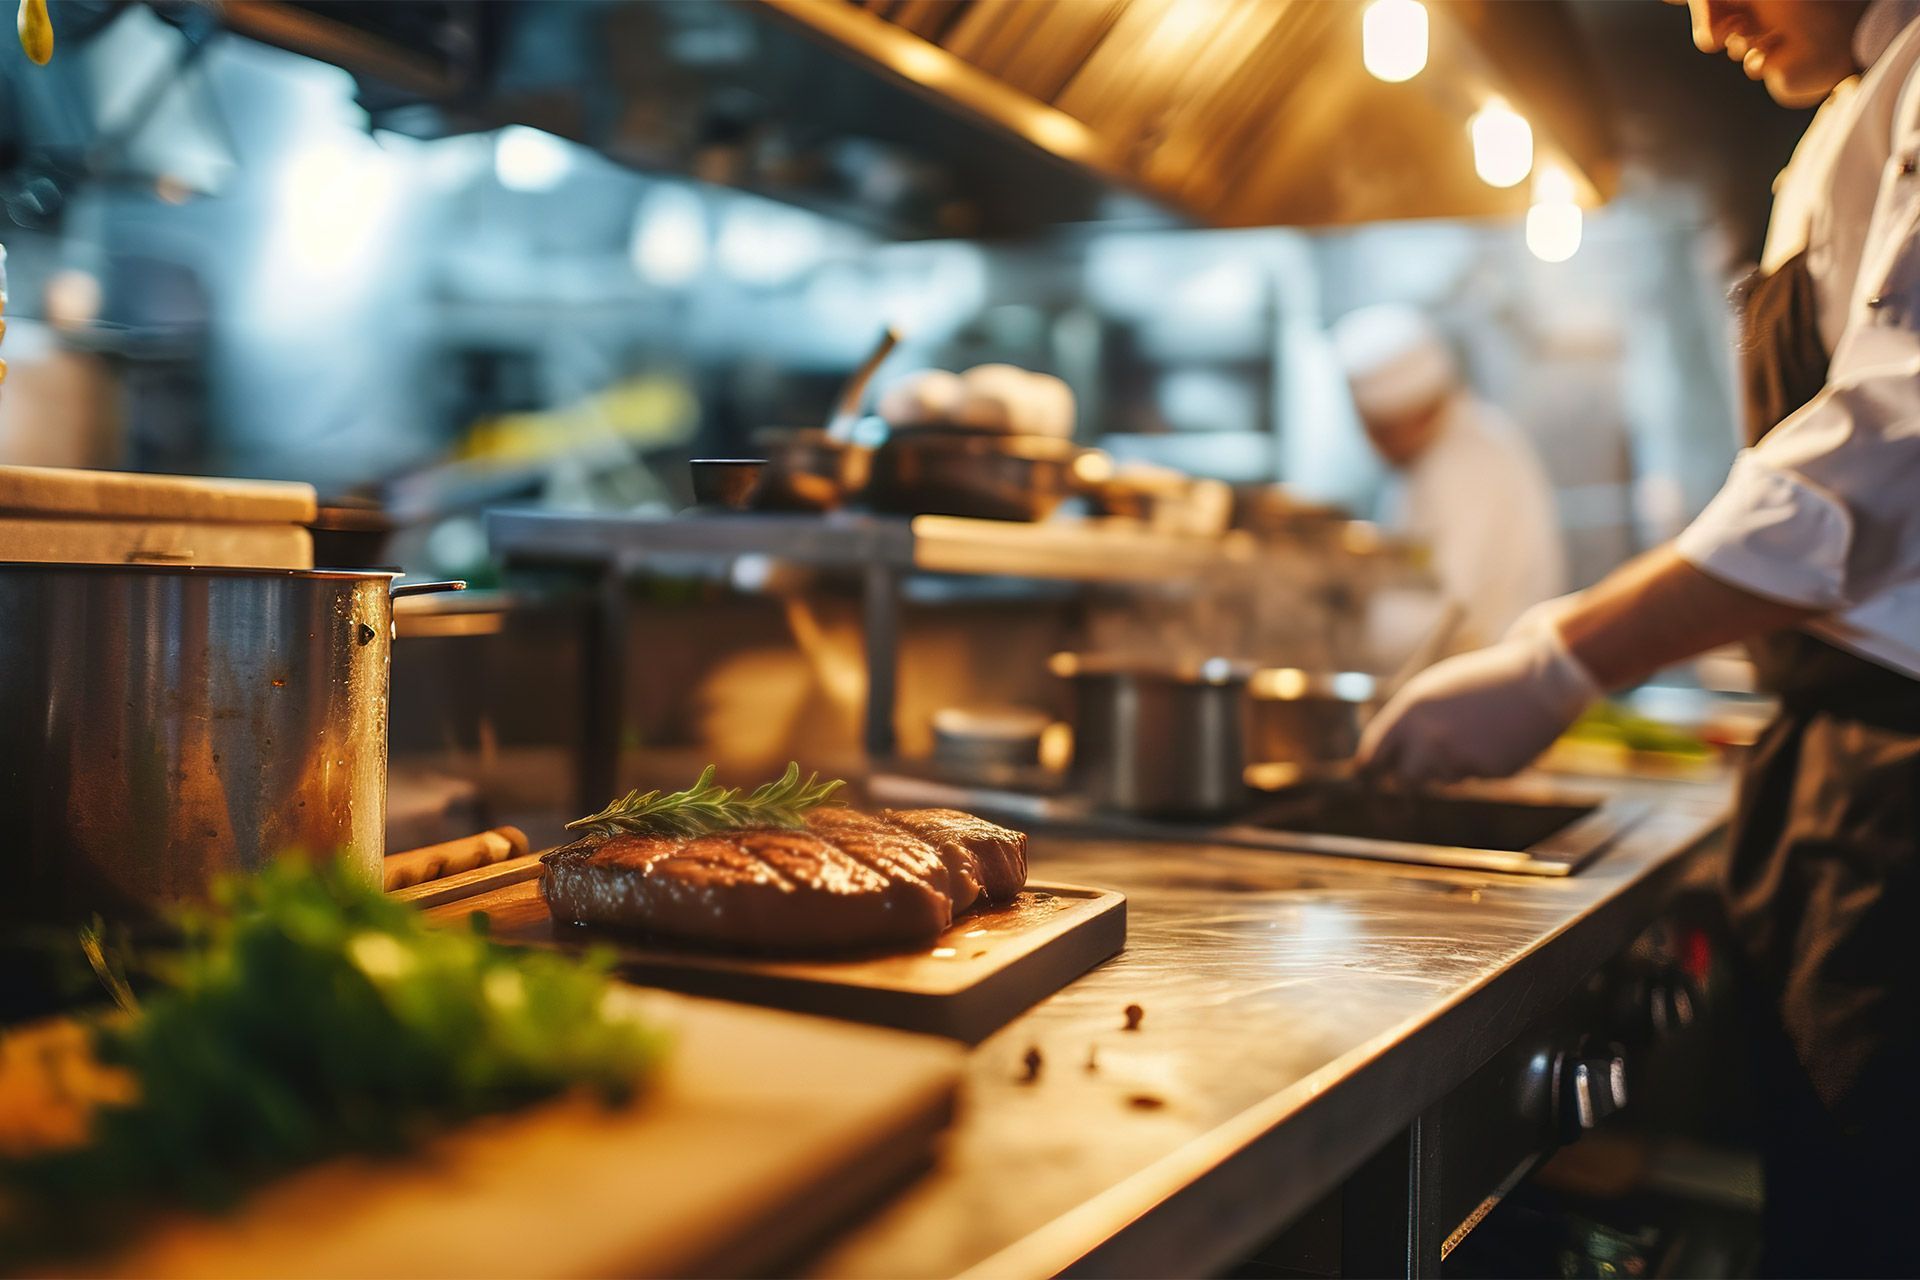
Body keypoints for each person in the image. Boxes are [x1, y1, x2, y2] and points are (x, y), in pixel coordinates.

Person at [1361, 1, 1920, 1271]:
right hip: (1837, 778)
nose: (1709, 22)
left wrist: (1568, 654)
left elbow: (1889, 450)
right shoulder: (1843, 120)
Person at [1330, 303, 1567, 649]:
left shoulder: (1469, 466)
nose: (1370, 444)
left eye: (1373, 429)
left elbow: (1442, 611)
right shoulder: (1438, 456)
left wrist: (1348, 627)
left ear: (1406, 418)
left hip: (1485, 684)